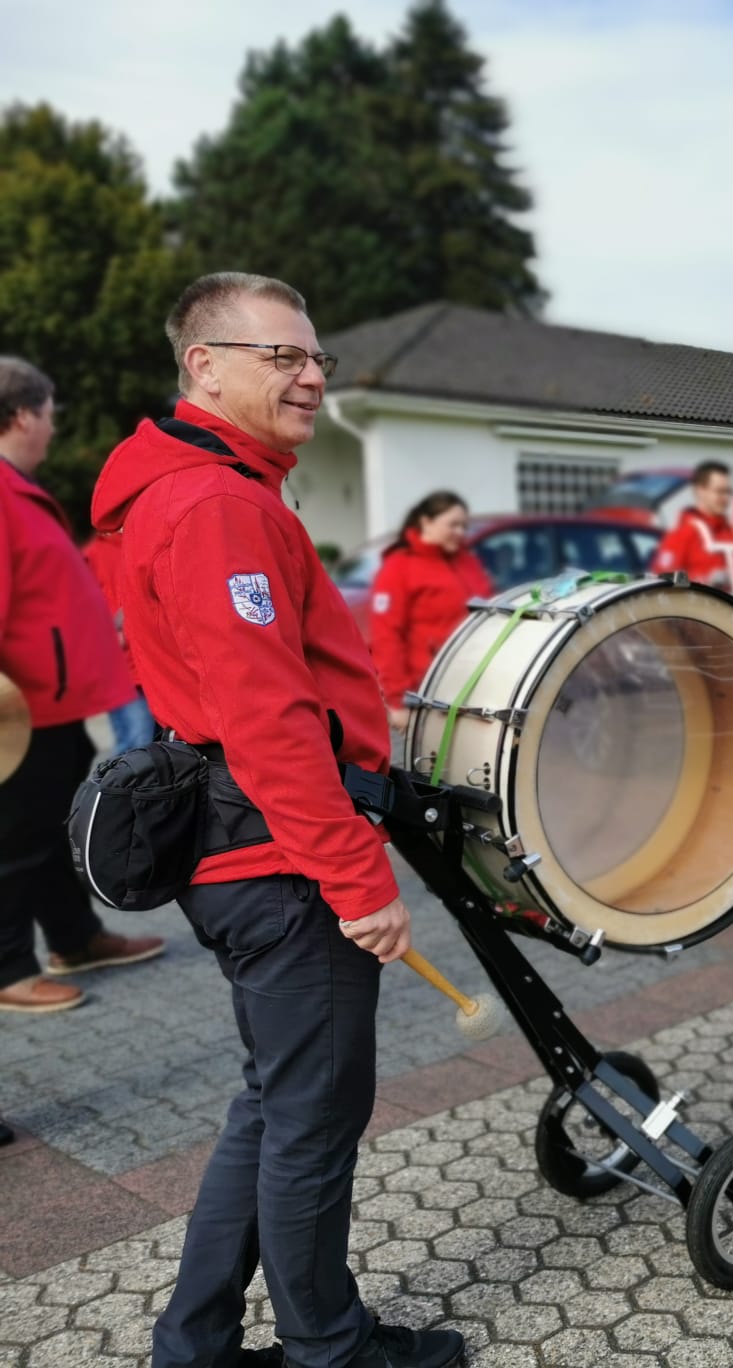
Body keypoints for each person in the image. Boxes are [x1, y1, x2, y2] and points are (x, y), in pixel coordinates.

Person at [90, 274, 462, 1368]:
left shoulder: (208, 488)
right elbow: (266, 718)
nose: (309, 377)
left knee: (274, 1103)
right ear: (203, 366)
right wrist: (359, 882)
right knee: (311, 1121)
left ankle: (195, 1346)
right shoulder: (218, 505)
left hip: (246, 850)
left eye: (316, 359)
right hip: (279, 860)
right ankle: (329, 1349)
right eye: (281, 356)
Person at [0, 356, 164, 1016]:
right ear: (21, 415)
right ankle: (9, 968)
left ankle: (75, 938)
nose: (53, 429)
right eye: (48, 415)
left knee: (47, 831)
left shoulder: (18, 489)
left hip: (52, 701)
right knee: (15, 840)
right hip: (20, 711)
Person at [369, 490, 493, 732]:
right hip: (429, 691)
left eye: (464, 526)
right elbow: (386, 638)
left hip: (474, 684)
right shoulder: (399, 567)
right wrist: (398, 701)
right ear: (426, 522)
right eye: (453, 525)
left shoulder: (467, 561)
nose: (460, 532)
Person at [82, 527, 157, 754]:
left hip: (153, 663)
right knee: (136, 744)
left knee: (154, 745)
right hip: (122, 670)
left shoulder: (144, 540)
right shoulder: (93, 555)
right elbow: (78, 609)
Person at [650, 460, 733, 597]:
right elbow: (661, 582)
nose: (726, 498)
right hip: (697, 608)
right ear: (700, 491)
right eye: (720, 492)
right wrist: (704, 580)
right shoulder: (681, 535)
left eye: (728, 492)